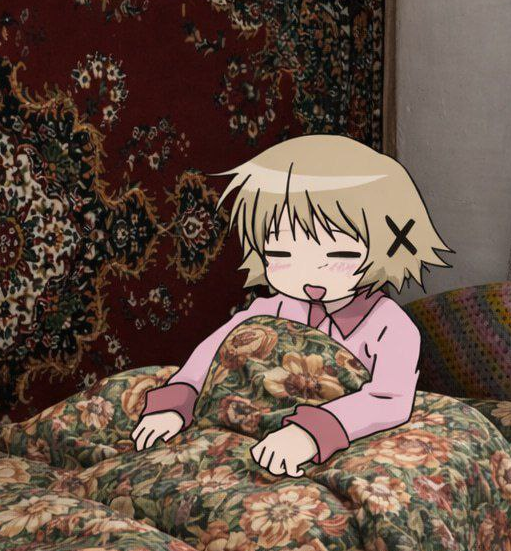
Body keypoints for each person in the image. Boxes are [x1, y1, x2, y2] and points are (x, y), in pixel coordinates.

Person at [131, 134, 452, 477]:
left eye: (339, 254)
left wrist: (311, 434)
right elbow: (213, 354)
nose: (311, 272)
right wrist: (177, 402)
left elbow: (389, 399)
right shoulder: (270, 309)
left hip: (325, 443)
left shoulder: (392, 326)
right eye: (282, 254)